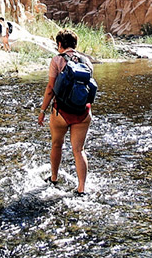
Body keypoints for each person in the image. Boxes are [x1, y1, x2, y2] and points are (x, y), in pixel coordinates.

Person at [38, 29, 93, 196]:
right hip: (83, 111)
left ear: (60, 44)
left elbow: (50, 89)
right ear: (75, 44)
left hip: (61, 111)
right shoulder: (87, 61)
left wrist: (42, 110)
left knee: (57, 144)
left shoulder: (57, 60)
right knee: (79, 149)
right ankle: (82, 188)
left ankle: (54, 178)